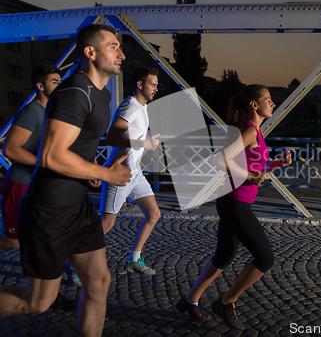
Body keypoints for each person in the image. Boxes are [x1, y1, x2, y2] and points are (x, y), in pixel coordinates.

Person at [0, 24, 131, 337]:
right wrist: (104, 173)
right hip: (50, 209)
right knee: (38, 302)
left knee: (98, 283)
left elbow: (84, 142)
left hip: (77, 204)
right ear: (90, 52)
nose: (122, 54)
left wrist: (138, 144)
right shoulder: (74, 92)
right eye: (113, 46)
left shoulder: (103, 93)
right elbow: (51, 157)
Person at [176, 85, 291, 330]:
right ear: (254, 105)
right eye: (268, 100)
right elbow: (221, 160)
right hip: (234, 203)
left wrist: (277, 164)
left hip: (233, 201)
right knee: (265, 258)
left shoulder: (256, 133)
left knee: (224, 255)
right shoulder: (248, 131)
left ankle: (190, 300)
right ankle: (226, 302)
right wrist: (248, 175)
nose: (272, 104)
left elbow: (256, 170)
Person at [0, 64, 73, 309]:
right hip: (20, 185)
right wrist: (46, 163)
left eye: (60, 80)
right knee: (13, 243)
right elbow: (9, 149)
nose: (59, 85)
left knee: (47, 239)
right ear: (40, 86)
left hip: (40, 188)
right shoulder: (31, 112)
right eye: (54, 81)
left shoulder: (55, 112)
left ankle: (49, 293)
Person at [100, 67, 161, 275]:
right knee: (106, 224)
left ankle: (134, 259)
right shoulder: (130, 106)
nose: (156, 88)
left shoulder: (142, 107)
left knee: (153, 214)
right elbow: (111, 137)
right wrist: (144, 143)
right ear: (140, 84)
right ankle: (74, 261)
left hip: (135, 173)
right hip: (119, 174)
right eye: (153, 84)